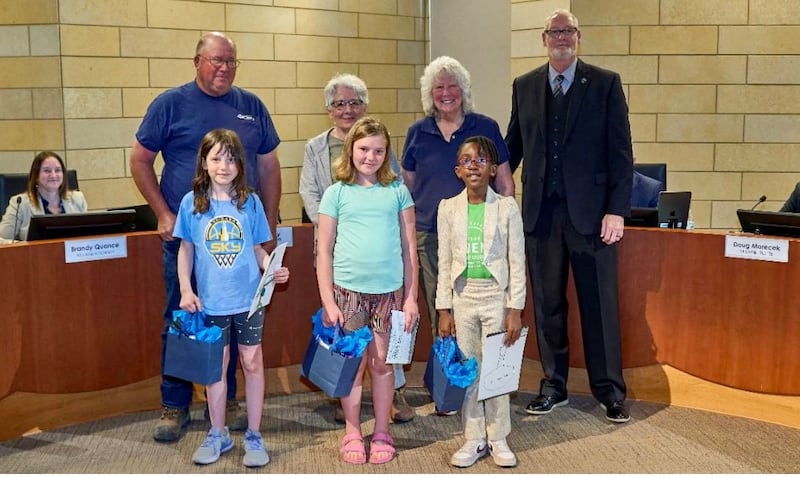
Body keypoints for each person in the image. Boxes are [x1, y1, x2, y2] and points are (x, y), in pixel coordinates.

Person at [130, 31, 281, 442]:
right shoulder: (170, 104)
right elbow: (139, 160)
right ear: (197, 61)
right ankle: (174, 405)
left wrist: (267, 226)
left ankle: (228, 402)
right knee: (183, 320)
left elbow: (268, 167)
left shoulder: (251, 106)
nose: (224, 68)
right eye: (216, 60)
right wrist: (162, 212)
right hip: (188, 238)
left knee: (230, 321)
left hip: (239, 239)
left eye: (231, 61)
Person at [505, 9, 634, 423]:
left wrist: (617, 210)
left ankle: (609, 390)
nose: (561, 37)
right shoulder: (524, 86)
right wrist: (481, 180)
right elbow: (512, 149)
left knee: (599, 305)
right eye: (554, 31)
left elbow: (621, 154)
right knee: (547, 305)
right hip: (541, 216)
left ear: (578, 36)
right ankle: (553, 385)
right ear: (543, 39)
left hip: (593, 217)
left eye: (568, 30)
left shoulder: (604, 83)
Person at [298, 73, 414, 424]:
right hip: (342, 265)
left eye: (354, 103)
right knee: (348, 353)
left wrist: (411, 296)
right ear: (329, 109)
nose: (347, 109)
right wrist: (338, 223)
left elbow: (407, 243)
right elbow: (309, 194)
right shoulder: (323, 163)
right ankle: (347, 414)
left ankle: (389, 406)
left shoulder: (391, 183)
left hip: (387, 281)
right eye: (339, 103)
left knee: (384, 356)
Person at [401, 56, 515, 414]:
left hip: (481, 231)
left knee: (486, 311)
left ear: (463, 91)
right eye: (439, 87)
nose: (446, 93)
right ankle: (449, 390)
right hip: (430, 235)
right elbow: (408, 185)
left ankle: (489, 388)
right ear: (429, 94)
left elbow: (505, 181)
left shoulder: (486, 127)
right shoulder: (418, 132)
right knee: (443, 312)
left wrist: (508, 226)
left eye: (452, 86)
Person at [174, 129, 289, 467]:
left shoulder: (250, 202)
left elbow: (257, 249)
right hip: (211, 303)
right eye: (216, 158)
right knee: (216, 369)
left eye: (230, 158)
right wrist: (185, 289)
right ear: (204, 164)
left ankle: (254, 434)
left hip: (249, 301)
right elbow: (185, 250)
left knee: (252, 363)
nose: (224, 166)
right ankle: (217, 432)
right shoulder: (191, 203)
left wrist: (272, 269)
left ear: (240, 164)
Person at [316, 117, 419, 465]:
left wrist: (411, 297)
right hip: (348, 294)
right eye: (363, 149)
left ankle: (381, 431)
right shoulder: (336, 194)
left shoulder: (398, 192)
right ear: (351, 150)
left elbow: (409, 249)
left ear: (387, 154)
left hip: (389, 294)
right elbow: (324, 251)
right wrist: (328, 301)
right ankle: (352, 430)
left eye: (378, 150)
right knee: (353, 366)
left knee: (382, 364)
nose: (370, 157)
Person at [435, 136, 526, 468]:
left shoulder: (506, 208)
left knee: (497, 371)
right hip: (463, 298)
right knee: (470, 369)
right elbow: (444, 262)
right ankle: (474, 437)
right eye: (466, 160)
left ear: (492, 169)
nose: (473, 165)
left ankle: (498, 435)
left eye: (481, 160)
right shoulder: (448, 208)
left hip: (496, 299)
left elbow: (517, 262)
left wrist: (514, 309)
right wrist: (444, 310)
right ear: (457, 170)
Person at [0, 151, 88, 243]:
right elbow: (1, 239)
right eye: (47, 171)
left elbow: (88, 235)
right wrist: (26, 246)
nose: (53, 175)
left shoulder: (78, 198)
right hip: (35, 256)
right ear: (36, 176)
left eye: (57, 170)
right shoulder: (20, 203)